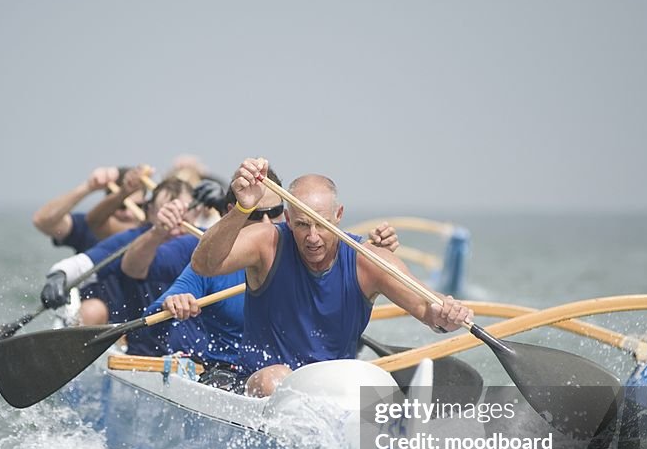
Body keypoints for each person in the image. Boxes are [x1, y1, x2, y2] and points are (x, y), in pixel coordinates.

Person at [191, 157, 473, 397]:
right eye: (302, 225)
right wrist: (241, 209)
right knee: (274, 379)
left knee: (372, 382)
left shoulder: (368, 260)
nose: (312, 237)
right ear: (288, 220)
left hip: (332, 391)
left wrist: (447, 315)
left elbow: (427, 307)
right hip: (263, 387)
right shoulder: (268, 243)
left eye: (322, 225)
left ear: (338, 215)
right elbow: (204, 264)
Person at [143, 173, 400, 385]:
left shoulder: (307, 251)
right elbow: (160, 300)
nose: (266, 222)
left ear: (286, 215)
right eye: (255, 213)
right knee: (275, 379)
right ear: (236, 212)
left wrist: (376, 258)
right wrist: (175, 300)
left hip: (309, 379)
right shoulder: (213, 254)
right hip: (232, 372)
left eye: (274, 211)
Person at [40, 177, 195, 329]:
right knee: (93, 310)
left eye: (183, 215)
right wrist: (60, 275)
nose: (175, 224)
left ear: (196, 213)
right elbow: (87, 262)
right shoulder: (133, 239)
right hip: (142, 341)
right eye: (168, 213)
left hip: (196, 342)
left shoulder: (204, 241)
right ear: (150, 211)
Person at [32, 165, 150, 252]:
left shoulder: (152, 234)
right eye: (122, 207)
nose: (129, 213)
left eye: (138, 206)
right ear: (108, 202)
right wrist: (88, 187)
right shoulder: (88, 226)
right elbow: (43, 221)